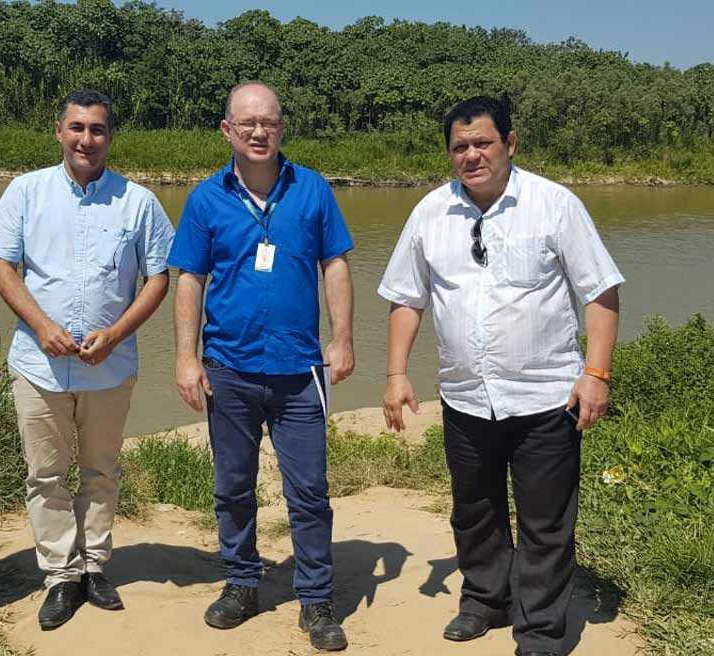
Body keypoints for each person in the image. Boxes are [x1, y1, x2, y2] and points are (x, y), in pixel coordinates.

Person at [378, 96, 623, 656]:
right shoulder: (429, 213)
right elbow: (406, 299)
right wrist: (396, 373)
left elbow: (600, 290)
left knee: (545, 521)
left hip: (546, 396)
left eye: (483, 143)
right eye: (460, 147)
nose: (472, 155)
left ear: (510, 144)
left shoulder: (555, 205)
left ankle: (539, 631)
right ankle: (486, 601)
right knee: (475, 510)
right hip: (466, 397)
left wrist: (597, 373)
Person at [0, 89, 174, 631]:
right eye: (77, 128)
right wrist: (42, 326)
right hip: (39, 364)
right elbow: (2, 266)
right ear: (59, 131)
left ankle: (95, 567)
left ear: (111, 136)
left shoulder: (140, 202)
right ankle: (60, 575)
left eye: (98, 130)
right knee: (45, 475)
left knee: (101, 470)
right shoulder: (25, 192)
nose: (87, 139)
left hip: (110, 365)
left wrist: (115, 333)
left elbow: (158, 277)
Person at [169, 81, 355, 652]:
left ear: (281, 127)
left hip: (301, 371)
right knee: (232, 486)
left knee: (309, 489)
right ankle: (242, 583)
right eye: (246, 123)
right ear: (227, 130)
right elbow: (190, 280)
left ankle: (316, 597)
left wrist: (342, 339)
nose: (258, 132)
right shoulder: (205, 199)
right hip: (228, 367)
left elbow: (336, 266)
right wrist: (185, 357)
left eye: (268, 122)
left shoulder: (314, 190)